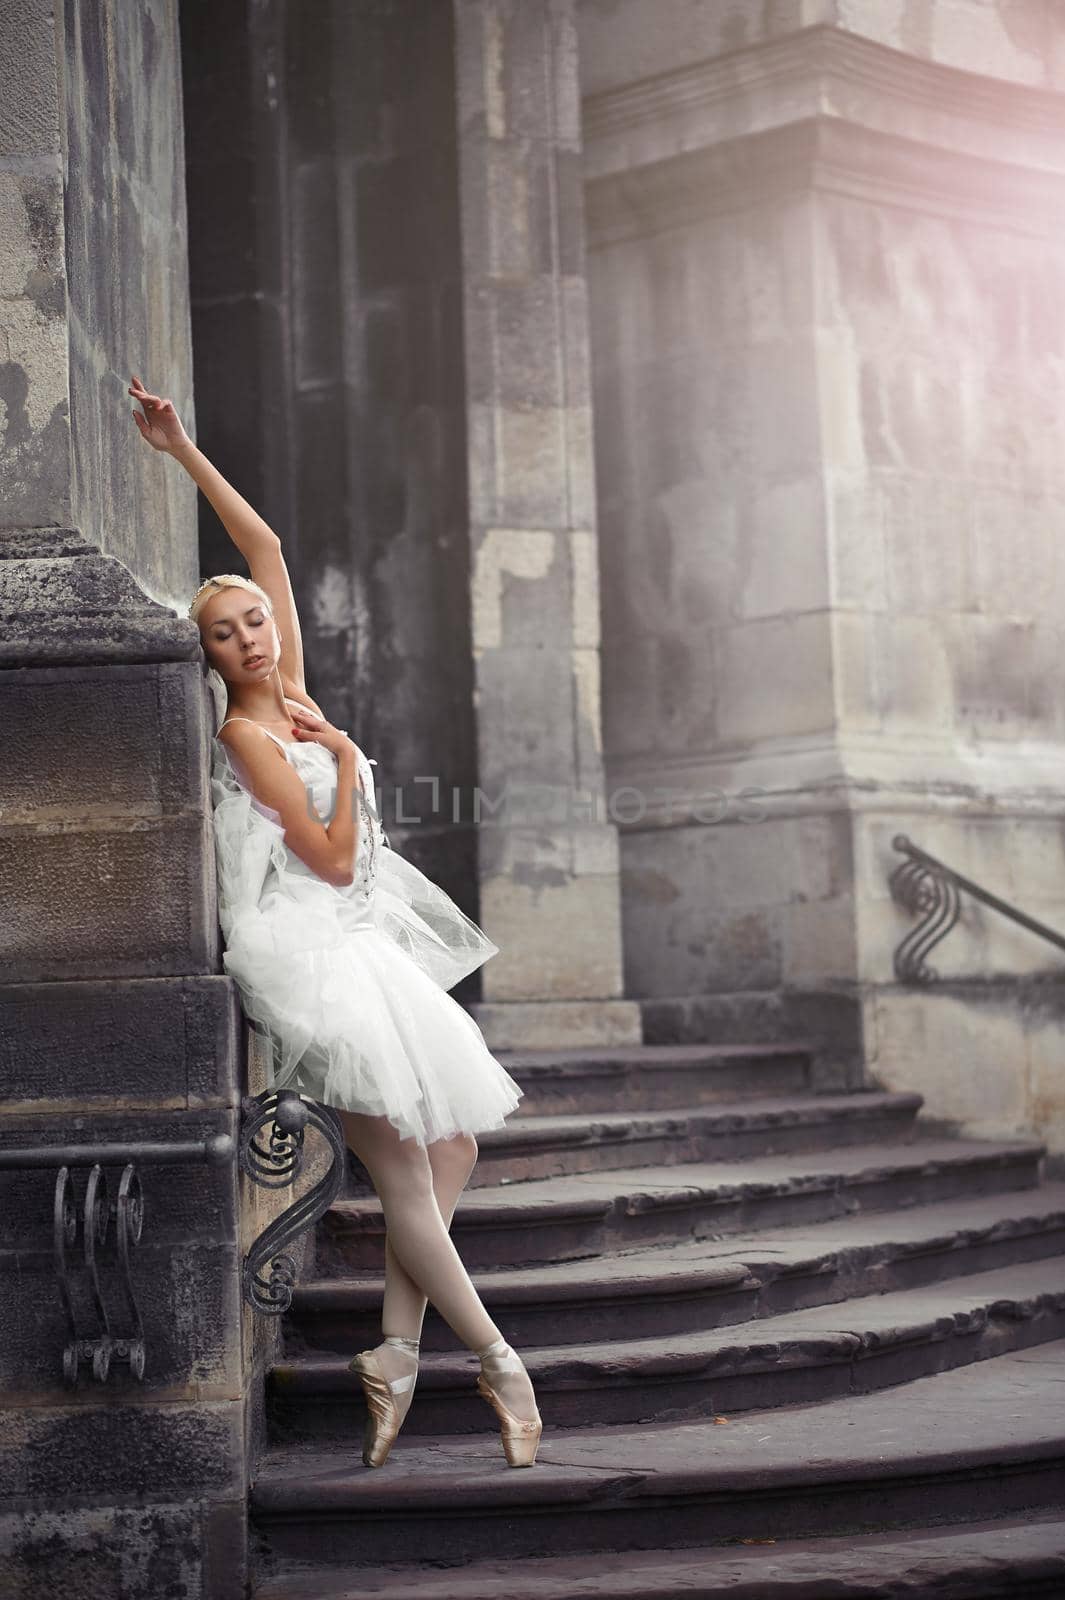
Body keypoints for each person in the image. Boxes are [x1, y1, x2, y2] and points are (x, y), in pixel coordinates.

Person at [129, 374, 542, 1469]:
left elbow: (261, 545)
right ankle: (500, 1359)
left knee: (449, 1144)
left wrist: (181, 452)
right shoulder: (248, 740)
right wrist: (349, 759)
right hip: (306, 951)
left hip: (360, 937)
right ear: (209, 656)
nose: (251, 637)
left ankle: (396, 1351)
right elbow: (320, 849)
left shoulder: (292, 676)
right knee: (408, 1171)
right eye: (224, 634)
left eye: (254, 620)